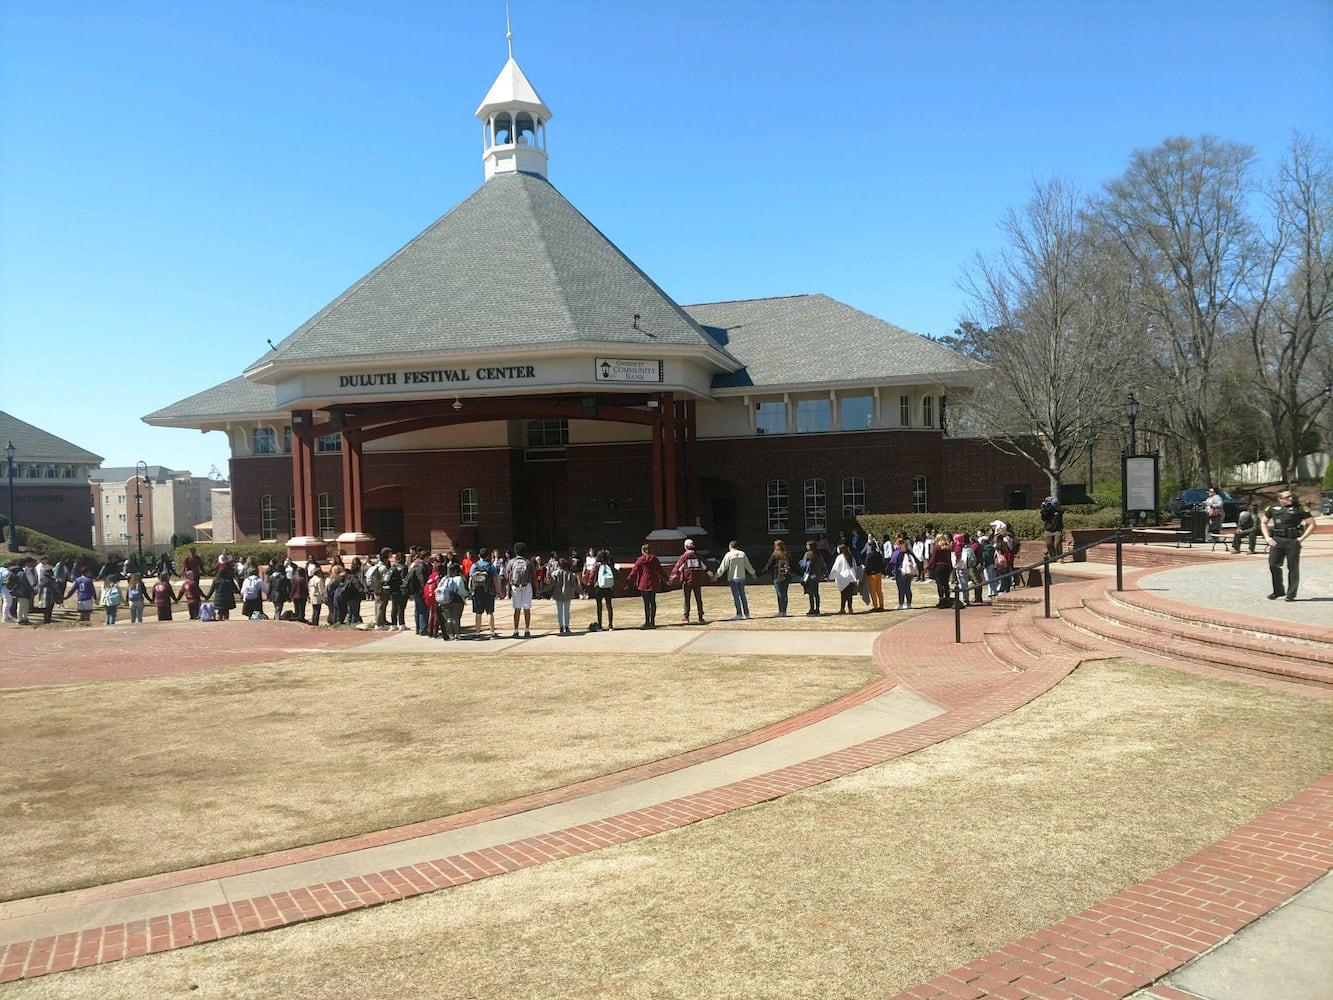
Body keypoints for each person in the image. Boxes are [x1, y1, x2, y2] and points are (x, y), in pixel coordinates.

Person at [1260, 489, 1316, 602]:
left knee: (1293, 568)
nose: (1290, 498)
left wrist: (1301, 539)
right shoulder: (1273, 508)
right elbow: (1263, 522)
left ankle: (1291, 594)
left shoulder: (1299, 508)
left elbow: (1312, 524)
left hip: (1292, 540)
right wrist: (1267, 537)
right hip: (1277, 540)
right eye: (1287, 497)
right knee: (1273, 565)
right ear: (1280, 499)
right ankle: (1278, 591)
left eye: (1291, 496)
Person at [627, 543, 669, 628]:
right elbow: (660, 570)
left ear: (643, 551)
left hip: (643, 583)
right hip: (653, 583)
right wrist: (667, 579)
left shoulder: (640, 560)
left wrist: (627, 582)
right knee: (653, 602)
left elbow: (634, 572)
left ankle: (647, 622)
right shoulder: (654, 559)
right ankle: (652, 622)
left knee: (646, 603)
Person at [669, 539, 709, 624]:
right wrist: (712, 575)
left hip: (687, 581)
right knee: (699, 599)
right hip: (697, 581)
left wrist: (672, 577)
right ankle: (700, 617)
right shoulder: (698, 556)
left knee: (687, 599)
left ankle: (686, 617)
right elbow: (705, 567)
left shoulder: (684, 557)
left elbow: (678, 568)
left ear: (685, 547)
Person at [715, 539, 756, 620]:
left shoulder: (728, 555)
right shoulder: (742, 554)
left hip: (733, 577)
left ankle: (739, 613)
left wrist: (716, 575)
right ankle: (747, 613)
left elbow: (723, 567)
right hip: (741, 577)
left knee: (736, 596)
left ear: (730, 546)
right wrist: (753, 573)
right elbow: (747, 565)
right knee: (743, 595)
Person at [505, 542, 535, 637]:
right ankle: (527, 630)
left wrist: (504, 588)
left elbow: (507, 575)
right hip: (526, 586)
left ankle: (516, 630)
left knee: (517, 609)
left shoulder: (512, 562)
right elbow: (533, 576)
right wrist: (537, 589)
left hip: (515, 587)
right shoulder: (528, 562)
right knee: (527, 608)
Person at [468, 550, 498, 639]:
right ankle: (492, 632)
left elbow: (470, 580)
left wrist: (470, 591)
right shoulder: (490, 566)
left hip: (477, 593)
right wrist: (499, 591)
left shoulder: (474, 566)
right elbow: (495, 581)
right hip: (488, 592)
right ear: (488, 556)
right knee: (490, 612)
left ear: (478, 555)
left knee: (478, 613)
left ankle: (477, 633)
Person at [761, 539, 794, 617]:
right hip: (786, 576)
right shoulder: (786, 554)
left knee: (780, 594)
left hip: (777, 577)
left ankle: (781, 611)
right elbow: (793, 565)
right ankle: (784, 611)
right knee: (785, 594)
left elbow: (768, 566)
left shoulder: (774, 555)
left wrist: (759, 574)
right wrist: (801, 573)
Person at [888, 535, 919, 610]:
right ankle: (909, 604)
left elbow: (893, 562)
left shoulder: (897, 552)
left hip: (900, 571)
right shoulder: (909, 551)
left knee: (901, 588)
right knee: (908, 587)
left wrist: (887, 571)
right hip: (909, 571)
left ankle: (901, 604)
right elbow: (916, 560)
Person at [549, 556, 577, 635]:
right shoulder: (570, 574)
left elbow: (551, 584)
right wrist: (581, 591)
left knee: (559, 611)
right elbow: (574, 585)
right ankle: (567, 626)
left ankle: (561, 627)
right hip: (568, 593)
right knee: (567, 611)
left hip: (558, 594)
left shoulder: (554, 573)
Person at [828, 543, 859, 614]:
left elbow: (835, 568)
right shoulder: (851, 557)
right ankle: (850, 608)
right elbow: (855, 567)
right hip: (851, 577)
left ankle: (842, 608)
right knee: (849, 595)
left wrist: (830, 577)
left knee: (843, 594)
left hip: (843, 578)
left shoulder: (840, 557)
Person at [799, 540, 826, 616]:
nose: (806, 546)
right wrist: (825, 573)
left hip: (809, 575)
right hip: (817, 575)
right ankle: (817, 609)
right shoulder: (818, 554)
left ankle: (811, 608)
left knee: (811, 593)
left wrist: (801, 563)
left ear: (810, 546)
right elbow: (823, 565)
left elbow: (803, 565)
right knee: (816, 593)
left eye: (807, 545)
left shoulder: (807, 554)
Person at [591, 548, 616, 630]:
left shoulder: (597, 565)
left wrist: (589, 583)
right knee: (609, 605)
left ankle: (600, 624)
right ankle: (610, 625)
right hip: (608, 587)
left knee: (599, 606)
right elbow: (614, 574)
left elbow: (592, 575)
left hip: (599, 587)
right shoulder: (610, 565)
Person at [861, 538, 885, 611]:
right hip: (879, 573)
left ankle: (875, 606)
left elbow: (866, 564)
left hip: (871, 575)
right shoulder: (878, 554)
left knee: (873, 591)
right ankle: (881, 605)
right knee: (879, 590)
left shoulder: (869, 555)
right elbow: (882, 564)